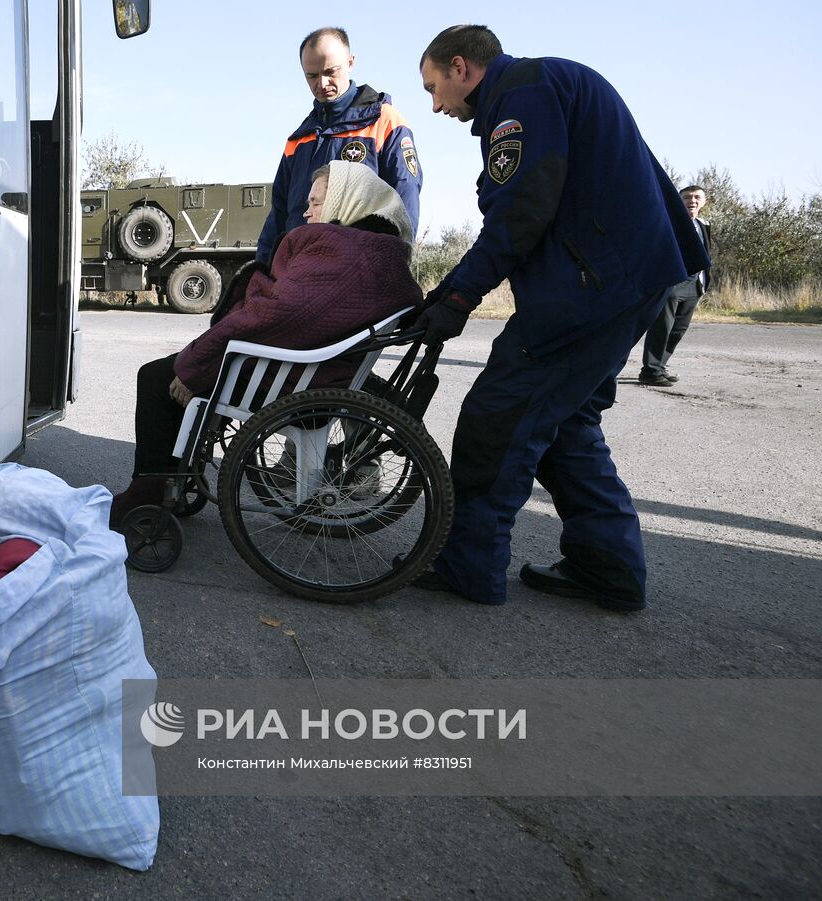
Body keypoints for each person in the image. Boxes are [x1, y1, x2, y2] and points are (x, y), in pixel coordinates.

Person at [410, 25, 709, 611]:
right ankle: (609, 568)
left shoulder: (521, 94)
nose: (437, 104)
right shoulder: (546, 84)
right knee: (564, 426)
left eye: (433, 87)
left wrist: (456, 297)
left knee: (497, 417)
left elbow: (521, 210)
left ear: (461, 66)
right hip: (626, 280)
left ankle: (470, 568)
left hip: (590, 291)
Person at [111, 161, 423, 528]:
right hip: (317, 370)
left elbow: (274, 315)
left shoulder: (340, 249)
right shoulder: (382, 251)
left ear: (347, 200)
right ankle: (172, 480)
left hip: (290, 378)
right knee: (176, 368)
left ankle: (148, 492)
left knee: (156, 377)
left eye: (318, 202)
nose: (307, 210)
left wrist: (197, 363)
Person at [254, 27, 423, 268]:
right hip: (298, 272)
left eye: (330, 72)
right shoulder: (298, 139)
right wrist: (260, 271)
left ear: (350, 62)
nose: (321, 83)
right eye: (311, 76)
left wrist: (391, 269)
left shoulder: (385, 122)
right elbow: (279, 214)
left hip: (359, 273)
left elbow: (405, 203)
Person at [640, 185, 712, 386]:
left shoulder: (703, 225)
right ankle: (650, 371)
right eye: (687, 197)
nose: (692, 201)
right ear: (679, 201)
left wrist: (705, 282)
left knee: (678, 329)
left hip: (695, 285)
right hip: (672, 284)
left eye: (697, 197)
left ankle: (659, 367)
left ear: (704, 202)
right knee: (662, 327)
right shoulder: (670, 223)